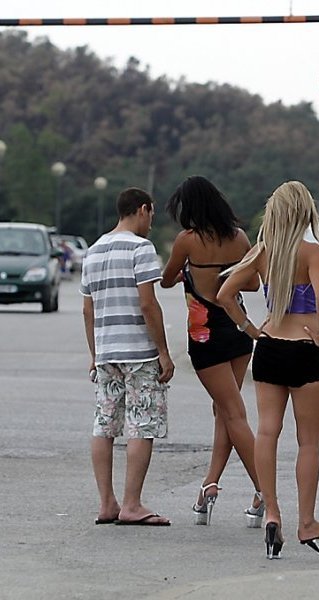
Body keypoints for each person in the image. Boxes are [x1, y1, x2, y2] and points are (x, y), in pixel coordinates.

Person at [217, 180, 319, 561]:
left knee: (267, 432)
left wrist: (250, 328)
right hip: (304, 350)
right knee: (308, 442)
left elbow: (225, 295)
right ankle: (307, 522)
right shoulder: (312, 251)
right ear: (306, 212)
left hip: (269, 347)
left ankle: (271, 511)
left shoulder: (263, 253)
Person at [161, 175, 264, 526]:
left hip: (205, 336)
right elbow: (252, 282)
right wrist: (226, 274)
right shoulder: (239, 238)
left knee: (233, 413)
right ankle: (209, 486)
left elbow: (165, 278)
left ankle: (265, 490)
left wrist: (190, 273)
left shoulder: (187, 241)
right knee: (224, 411)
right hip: (237, 330)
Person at [80, 187, 174, 526]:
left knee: (104, 425)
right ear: (143, 209)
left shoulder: (92, 251)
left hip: (106, 353)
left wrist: (95, 354)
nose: (151, 222)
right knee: (141, 424)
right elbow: (148, 303)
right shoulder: (141, 248)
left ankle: (107, 503)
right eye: (151, 214)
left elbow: (87, 310)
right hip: (138, 351)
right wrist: (163, 351)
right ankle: (132, 504)